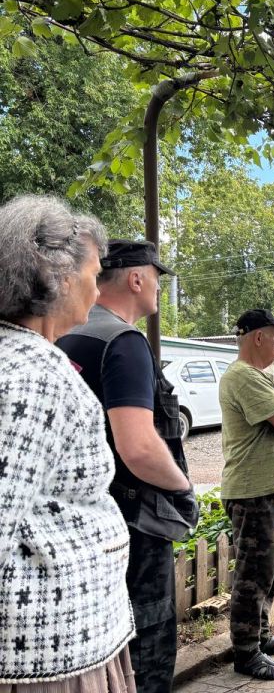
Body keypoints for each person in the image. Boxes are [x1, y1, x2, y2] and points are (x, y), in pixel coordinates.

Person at [0, 195, 136, 690]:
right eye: (94, 275)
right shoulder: (32, 375)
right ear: (56, 275)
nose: (98, 290)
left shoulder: (21, 357)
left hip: (64, 635)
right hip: (48, 649)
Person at [57, 238, 197, 693]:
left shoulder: (65, 334)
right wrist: (182, 489)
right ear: (136, 279)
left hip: (84, 520)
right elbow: (138, 447)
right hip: (136, 522)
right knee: (148, 639)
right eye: (156, 278)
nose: (158, 288)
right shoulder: (124, 341)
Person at [219, 309, 274, 681]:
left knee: (271, 569)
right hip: (252, 493)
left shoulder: (261, 376)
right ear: (257, 337)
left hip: (271, 489)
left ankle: (262, 635)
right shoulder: (242, 376)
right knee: (253, 574)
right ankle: (246, 652)